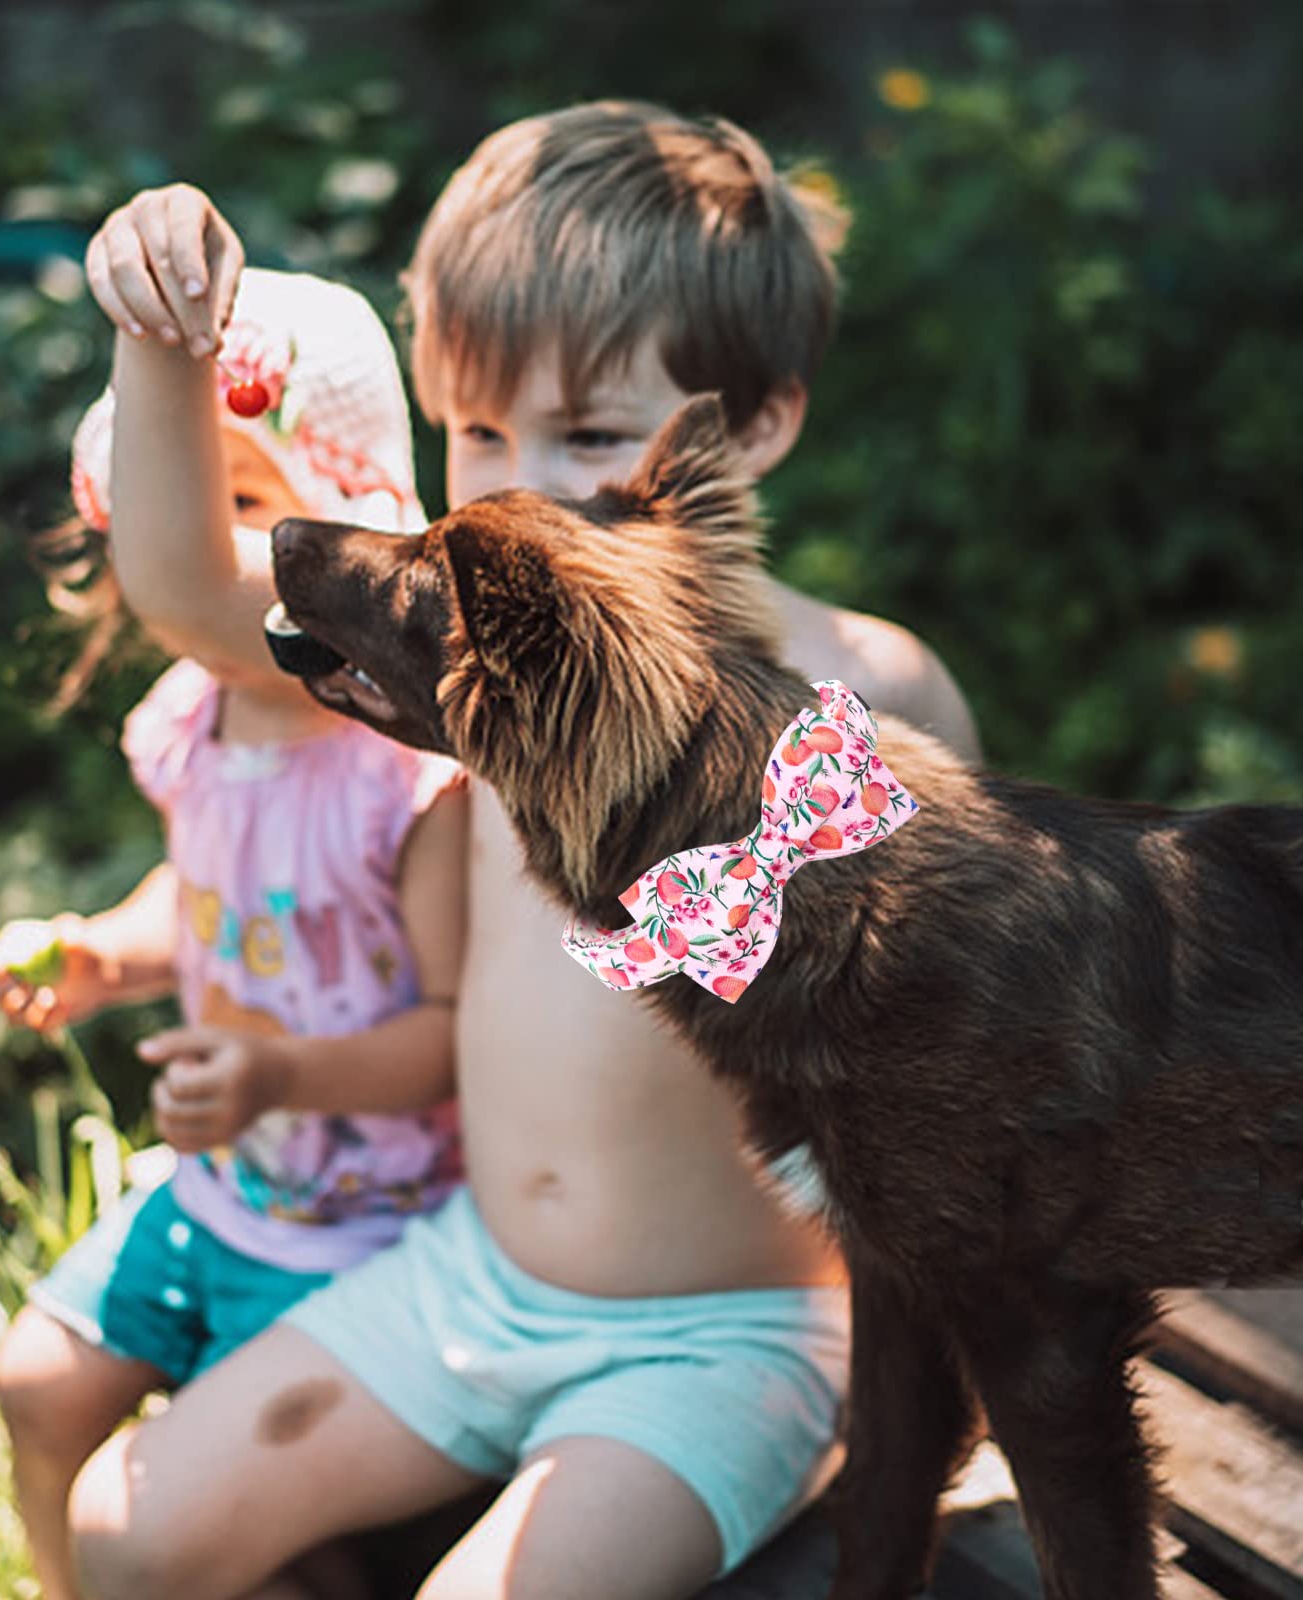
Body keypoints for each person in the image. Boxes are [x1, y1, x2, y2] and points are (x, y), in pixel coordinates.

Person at [65, 101, 983, 1600]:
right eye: (481, 429)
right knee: (127, 1532)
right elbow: (180, 589)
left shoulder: (863, 698)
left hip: (724, 1338)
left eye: (596, 434)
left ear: (756, 423)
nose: (522, 482)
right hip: (473, 1278)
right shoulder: (441, 631)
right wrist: (163, 343)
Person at [0, 266, 469, 1600]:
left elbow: (448, 1037)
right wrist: (107, 952)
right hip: (225, 1191)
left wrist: (279, 1076)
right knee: (36, 1387)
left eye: (245, 506)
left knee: (299, 1561)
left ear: (352, 517)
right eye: (181, 513)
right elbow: (201, 896)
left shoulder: (402, 780)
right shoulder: (189, 720)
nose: (206, 550)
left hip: (369, 1229)